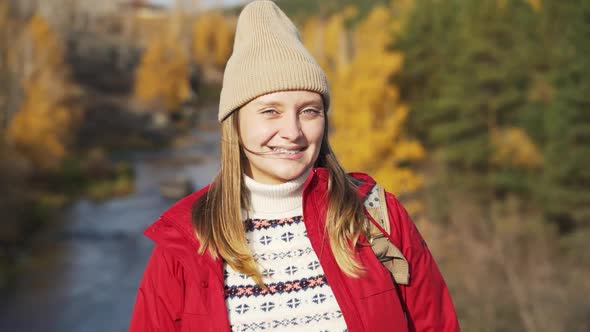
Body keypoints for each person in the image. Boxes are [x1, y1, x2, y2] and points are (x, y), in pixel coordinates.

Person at [129, 1, 460, 331]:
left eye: (309, 111)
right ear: (235, 123)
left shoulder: (376, 215)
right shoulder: (186, 239)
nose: (292, 132)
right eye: (270, 111)